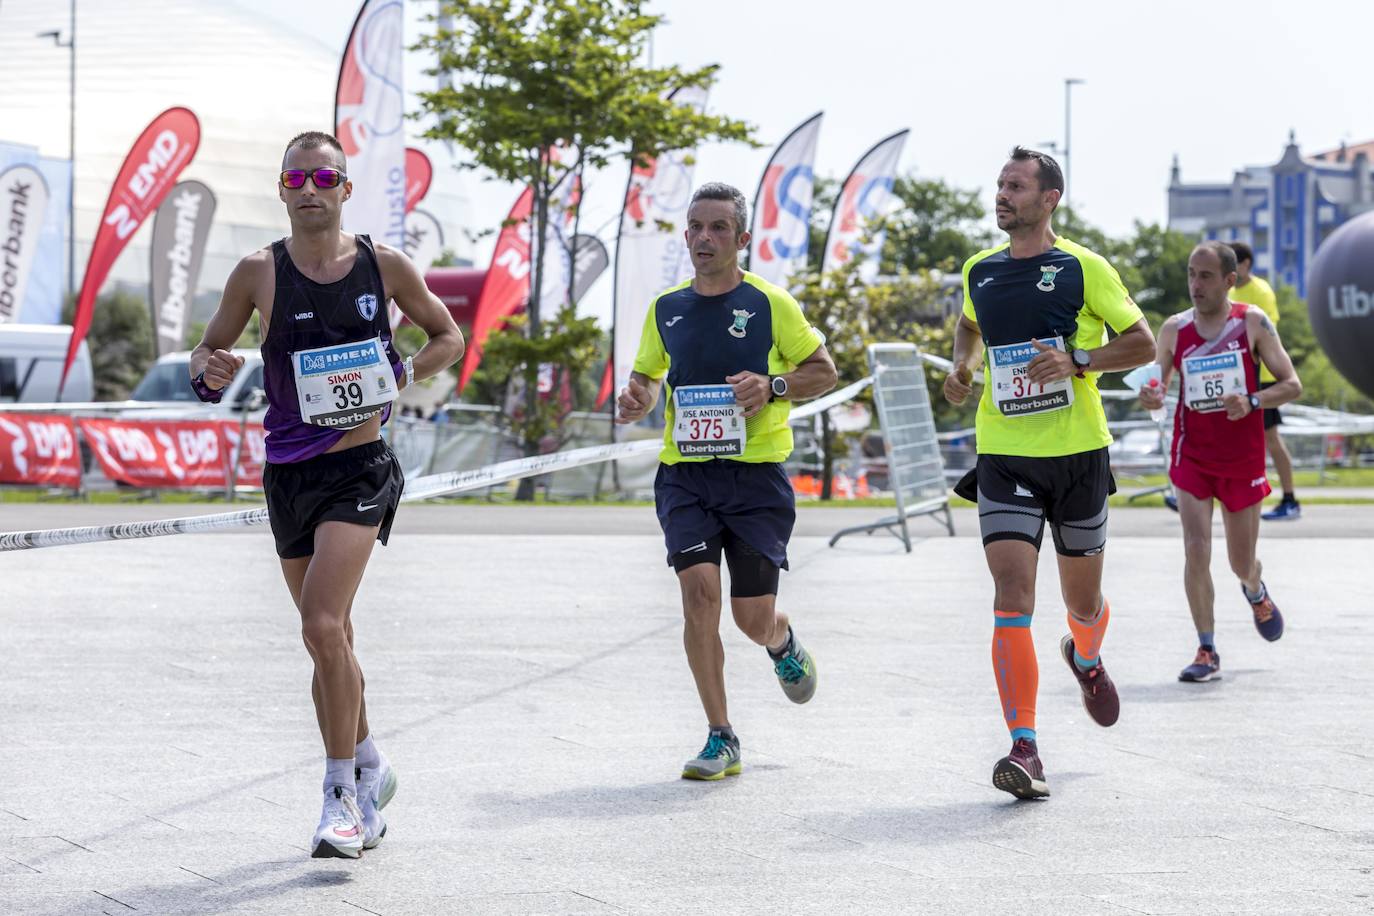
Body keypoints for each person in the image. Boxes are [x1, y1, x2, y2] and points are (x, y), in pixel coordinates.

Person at [190, 131, 464, 858]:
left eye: (324, 176)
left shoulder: (385, 264)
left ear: (344, 190)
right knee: (331, 641)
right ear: (283, 190)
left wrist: (400, 375)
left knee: (319, 623)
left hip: (360, 466)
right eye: (297, 177)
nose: (311, 188)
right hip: (289, 473)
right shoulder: (258, 273)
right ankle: (372, 765)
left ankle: (342, 797)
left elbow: (448, 336)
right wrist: (208, 371)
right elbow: (206, 354)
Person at [944, 147, 1155, 800]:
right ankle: (1025, 747)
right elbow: (969, 328)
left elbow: (1142, 343)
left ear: (1049, 198)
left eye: (1017, 186)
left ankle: (1085, 655)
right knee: (1012, 595)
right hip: (1004, 452)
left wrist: (1079, 359)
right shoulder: (980, 270)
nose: (1003, 195)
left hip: (1077, 455)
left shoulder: (1082, 268)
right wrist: (961, 369)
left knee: (1081, 603)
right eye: (1000, 185)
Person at [616, 181, 837, 781]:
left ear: (742, 239)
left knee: (750, 617)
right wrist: (636, 397)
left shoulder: (770, 304)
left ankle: (780, 640)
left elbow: (824, 370)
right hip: (685, 475)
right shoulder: (667, 308)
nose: (704, 238)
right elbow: (646, 377)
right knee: (698, 599)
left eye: (718, 228)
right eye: (695, 227)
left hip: (755, 479)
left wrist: (774, 386)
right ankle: (721, 735)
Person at [1140, 241, 1300, 682]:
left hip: (1242, 458)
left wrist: (1252, 400)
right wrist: (1151, 395)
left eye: (1206, 276)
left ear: (1230, 280)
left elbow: (1292, 384)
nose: (1196, 284)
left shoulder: (1252, 323)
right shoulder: (1174, 329)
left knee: (1239, 561)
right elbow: (1157, 388)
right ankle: (1206, 648)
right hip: (1191, 454)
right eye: (1192, 274)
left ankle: (1255, 590)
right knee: (1195, 549)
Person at [1228, 241, 1300, 520]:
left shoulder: (1261, 291)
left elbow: (1264, 335)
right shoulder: (1232, 290)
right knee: (1234, 436)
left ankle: (1290, 499)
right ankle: (1206, 493)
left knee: (1271, 438)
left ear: (1245, 264)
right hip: (1240, 377)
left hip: (1265, 377)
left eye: (1232, 261)